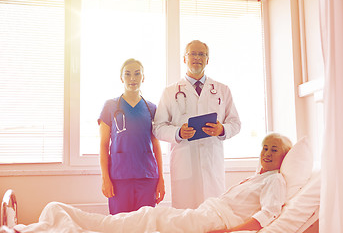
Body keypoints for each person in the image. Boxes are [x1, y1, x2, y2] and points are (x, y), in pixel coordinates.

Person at [8, 133, 292, 233]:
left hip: (210, 221)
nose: (267, 153)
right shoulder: (258, 178)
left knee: (143, 220)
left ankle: (50, 220)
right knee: (141, 219)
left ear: (285, 156)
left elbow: (267, 215)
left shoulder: (275, 182)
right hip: (203, 214)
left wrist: (228, 232)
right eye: (265, 147)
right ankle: (55, 216)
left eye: (274, 149)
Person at [153, 40, 241, 209]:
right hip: (185, 163)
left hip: (212, 163)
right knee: (186, 218)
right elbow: (158, 127)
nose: (197, 58)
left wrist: (222, 129)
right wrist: (178, 133)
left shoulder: (222, 90)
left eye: (202, 54)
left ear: (207, 60)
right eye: (192, 54)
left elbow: (235, 123)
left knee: (213, 214)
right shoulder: (170, 92)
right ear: (184, 59)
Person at [98, 58, 165, 214]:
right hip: (119, 177)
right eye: (127, 74)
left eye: (137, 73)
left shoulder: (151, 108)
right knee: (121, 226)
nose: (132, 78)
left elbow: (156, 146)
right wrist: (105, 178)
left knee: (144, 225)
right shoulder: (110, 106)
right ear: (121, 78)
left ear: (143, 77)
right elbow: (103, 145)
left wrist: (161, 178)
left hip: (147, 177)